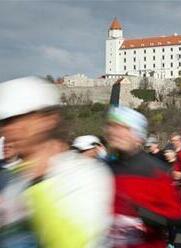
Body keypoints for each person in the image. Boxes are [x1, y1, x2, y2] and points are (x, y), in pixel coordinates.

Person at [0, 76, 113, 248]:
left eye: (18, 120)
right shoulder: (12, 179)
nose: (9, 130)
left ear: (47, 120)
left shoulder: (86, 174)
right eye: (5, 123)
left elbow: (77, 244)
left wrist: (39, 181)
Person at [104, 106, 181, 248]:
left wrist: (142, 214)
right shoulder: (104, 168)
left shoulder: (156, 171)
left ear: (137, 136)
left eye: (122, 128)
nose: (114, 132)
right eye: (111, 126)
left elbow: (178, 217)